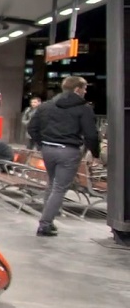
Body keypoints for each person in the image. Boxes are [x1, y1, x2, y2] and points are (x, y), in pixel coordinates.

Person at [28, 76, 101, 237]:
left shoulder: (46, 106)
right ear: (77, 90)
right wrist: (95, 153)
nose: (86, 91)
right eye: (85, 88)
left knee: (52, 185)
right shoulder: (84, 108)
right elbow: (91, 134)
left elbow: (32, 128)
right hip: (69, 151)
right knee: (59, 188)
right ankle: (45, 224)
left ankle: (48, 221)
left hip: (48, 150)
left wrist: (41, 144)